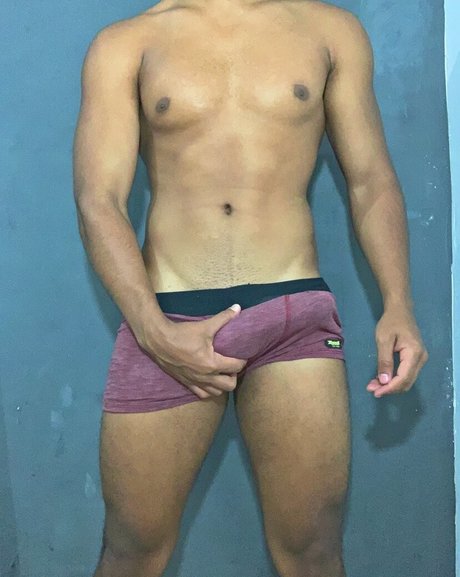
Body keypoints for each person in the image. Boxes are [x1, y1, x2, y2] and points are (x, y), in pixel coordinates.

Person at [72, 0, 428, 575]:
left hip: (293, 313)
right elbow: (99, 200)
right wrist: (152, 330)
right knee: (132, 550)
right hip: (169, 316)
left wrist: (399, 304)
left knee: (312, 551)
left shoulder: (328, 31)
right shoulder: (128, 43)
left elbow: (371, 180)